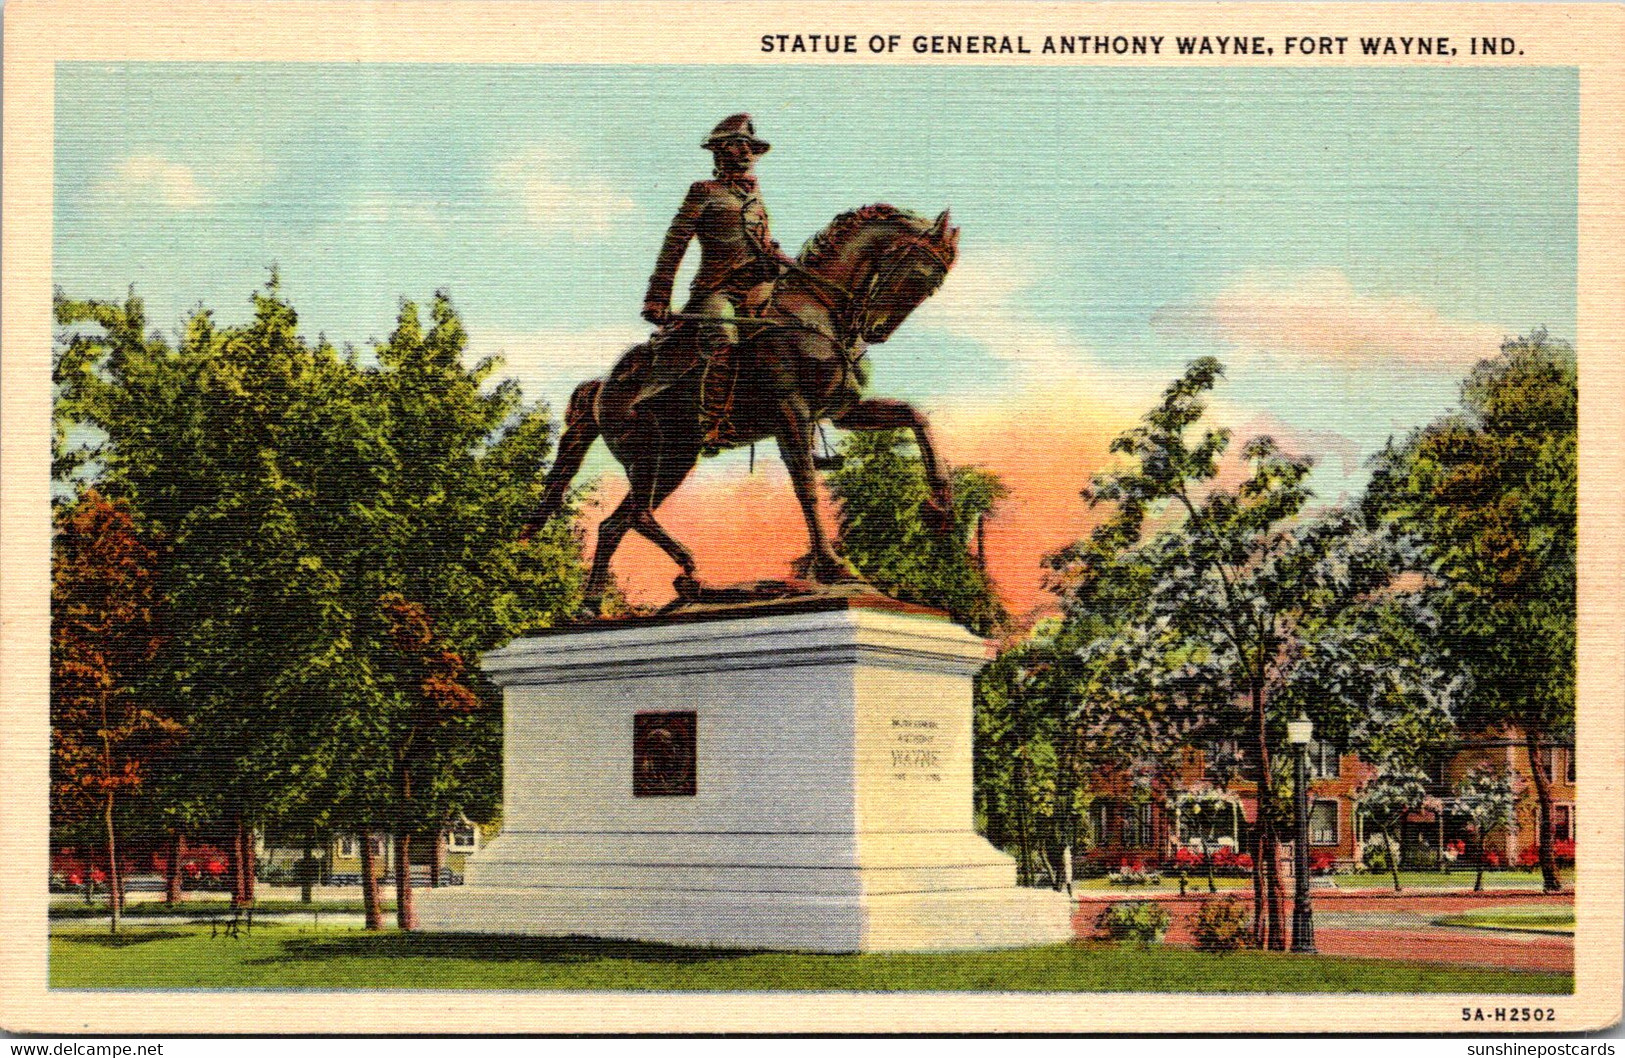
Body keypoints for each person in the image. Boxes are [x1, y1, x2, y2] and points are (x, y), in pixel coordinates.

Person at [642, 113, 791, 452]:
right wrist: (657, 296)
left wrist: (788, 264)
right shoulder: (703, 192)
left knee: (801, 328)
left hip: (761, 285)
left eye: (750, 148)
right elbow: (674, 244)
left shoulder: (755, 197)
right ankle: (712, 424)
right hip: (719, 290)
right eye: (739, 146)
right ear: (720, 152)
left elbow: (762, 244)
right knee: (723, 341)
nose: (747, 154)